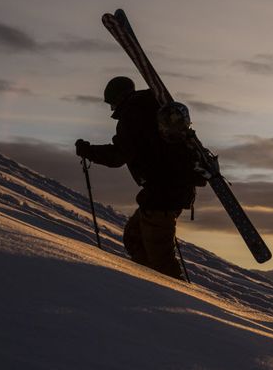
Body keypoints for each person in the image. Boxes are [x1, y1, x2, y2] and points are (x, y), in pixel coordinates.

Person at [75, 76, 203, 279]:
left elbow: (118, 155)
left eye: (112, 103)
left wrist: (88, 151)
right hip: (168, 191)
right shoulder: (154, 106)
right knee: (135, 237)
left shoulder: (132, 116)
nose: (112, 109)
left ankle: (172, 296)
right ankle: (148, 282)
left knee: (160, 257)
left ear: (118, 98)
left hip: (162, 194)